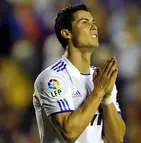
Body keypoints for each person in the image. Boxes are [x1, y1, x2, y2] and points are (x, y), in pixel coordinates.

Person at [33, 3, 126, 143]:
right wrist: (98, 92)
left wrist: (107, 98)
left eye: (94, 22)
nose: (94, 26)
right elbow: (69, 133)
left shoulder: (101, 78)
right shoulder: (52, 78)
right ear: (67, 33)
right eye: (84, 22)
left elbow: (117, 139)